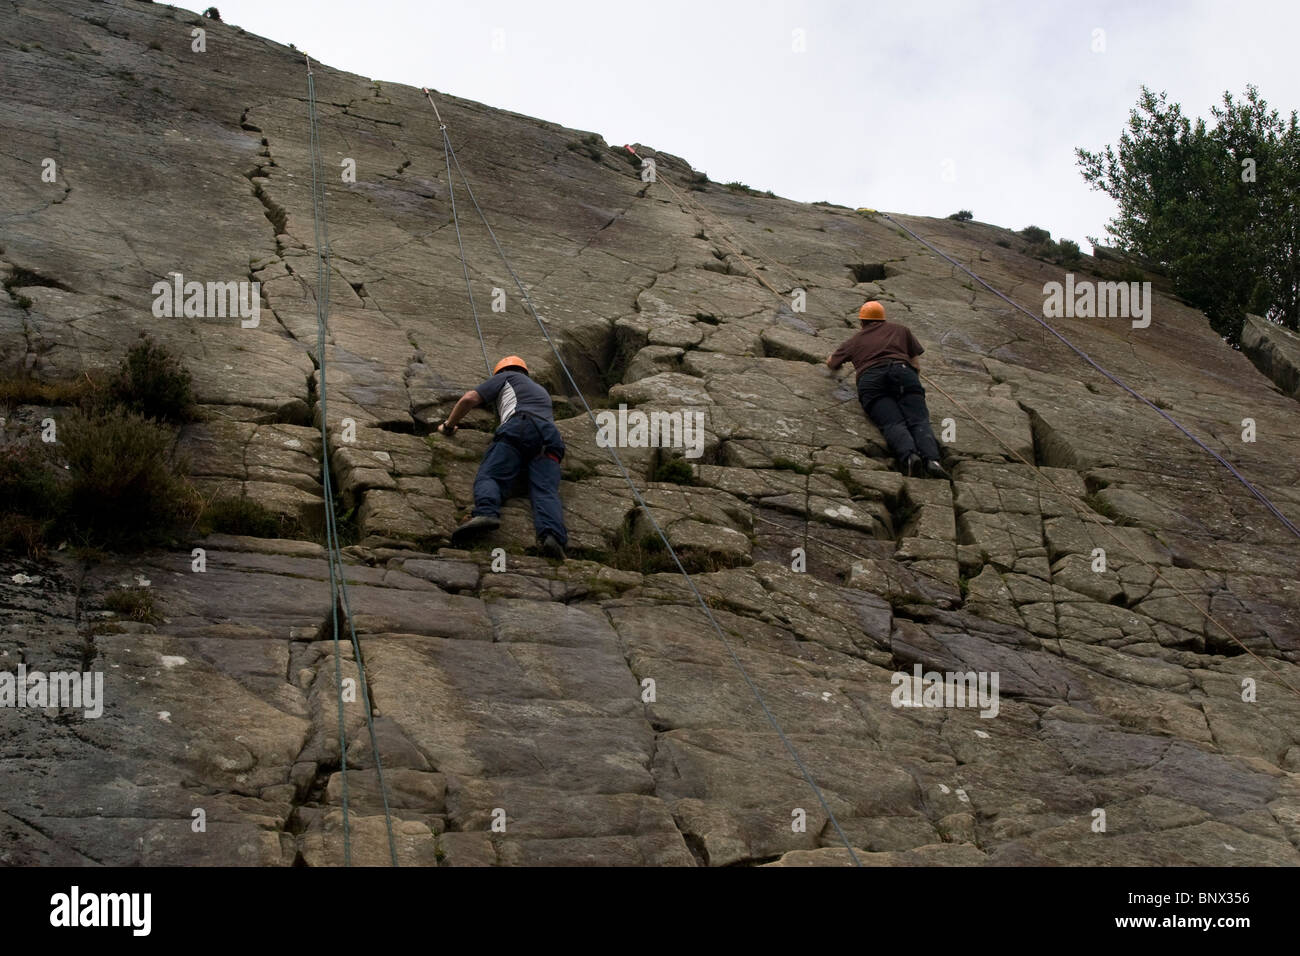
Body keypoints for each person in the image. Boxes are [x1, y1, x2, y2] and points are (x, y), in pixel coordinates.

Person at [437, 355, 569, 557]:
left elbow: (469, 399)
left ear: (501, 371)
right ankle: (552, 537)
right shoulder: (540, 390)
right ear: (525, 370)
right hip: (551, 440)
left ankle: (486, 513)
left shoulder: (506, 377)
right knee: (545, 491)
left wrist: (448, 425)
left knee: (491, 476)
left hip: (521, 426)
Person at [826, 301, 950, 479]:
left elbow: (832, 363)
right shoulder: (901, 330)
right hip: (903, 373)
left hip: (872, 380)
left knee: (892, 422)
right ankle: (932, 461)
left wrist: (830, 358)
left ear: (862, 322)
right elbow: (915, 364)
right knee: (919, 420)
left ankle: (910, 457)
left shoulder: (855, 340)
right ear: (883, 319)